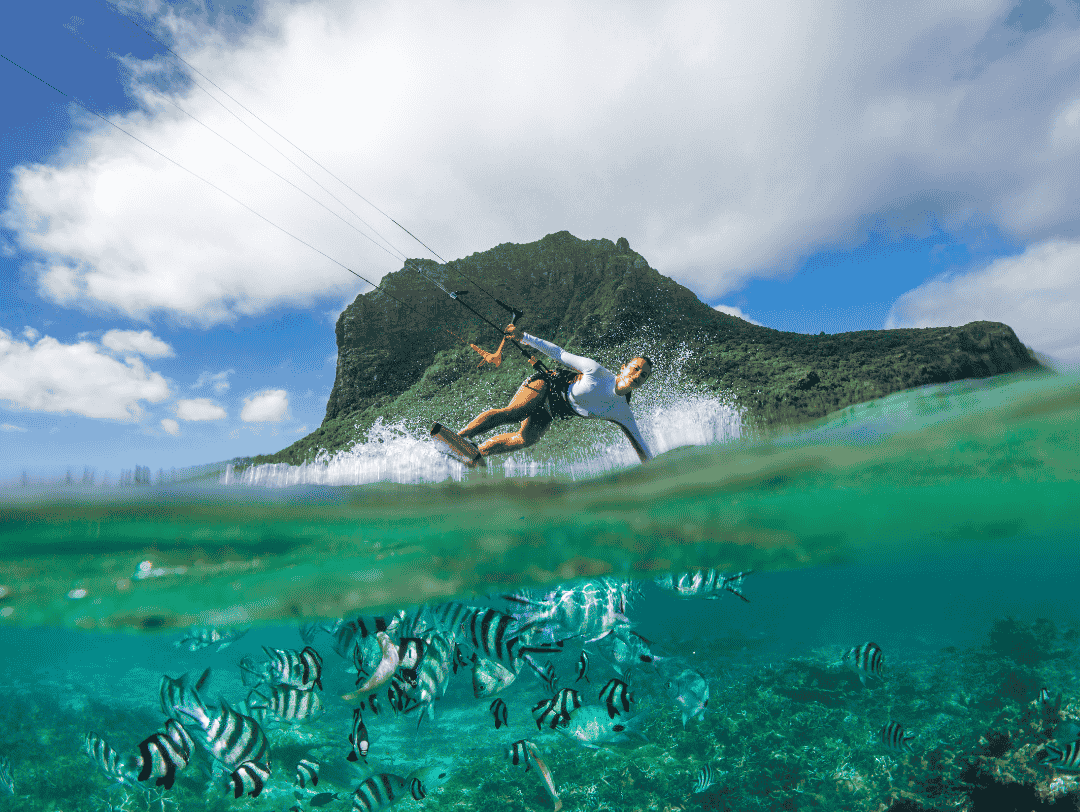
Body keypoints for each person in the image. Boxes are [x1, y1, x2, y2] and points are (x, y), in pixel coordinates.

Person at [457, 324, 653, 463]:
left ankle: (476, 453)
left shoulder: (623, 412)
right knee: (516, 412)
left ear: (643, 383)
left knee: (526, 438)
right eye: (635, 368)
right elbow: (559, 354)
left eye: (643, 375)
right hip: (546, 386)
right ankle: (461, 437)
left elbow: (641, 446)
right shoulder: (597, 372)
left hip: (552, 410)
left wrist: (654, 473)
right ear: (623, 368)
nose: (637, 375)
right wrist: (523, 337)